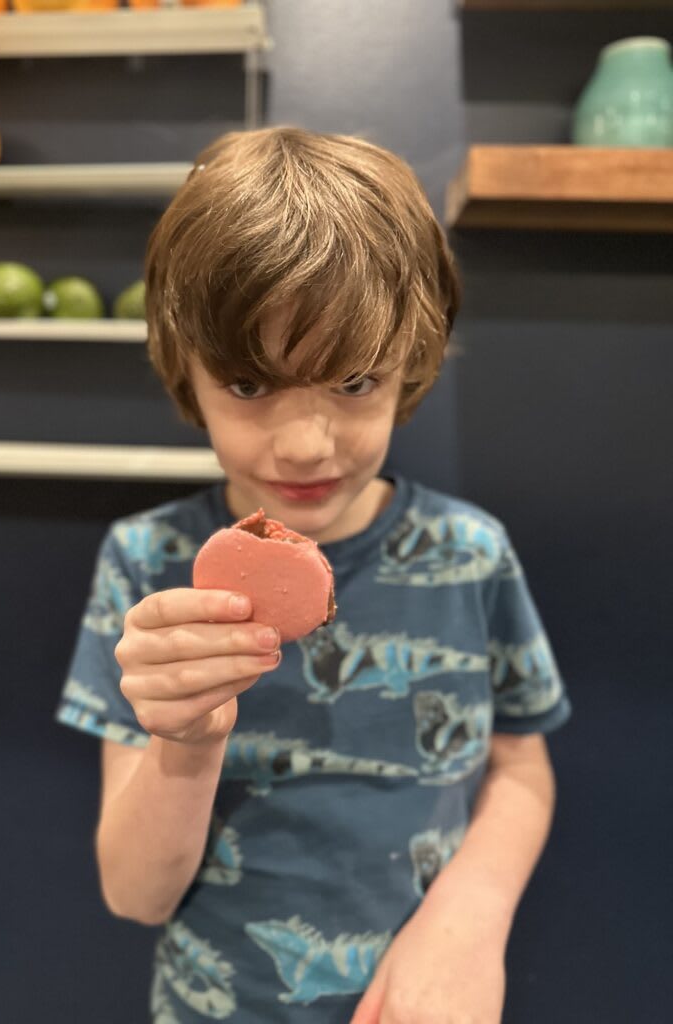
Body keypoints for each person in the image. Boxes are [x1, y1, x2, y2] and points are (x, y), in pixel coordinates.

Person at [55, 126, 571, 1024]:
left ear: (413, 363)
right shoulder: (147, 565)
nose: (303, 445)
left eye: (355, 381)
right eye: (249, 387)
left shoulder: (472, 553)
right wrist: (188, 740)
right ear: (186, 373)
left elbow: (520, 765)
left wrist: (471, 918)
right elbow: (134, 895)